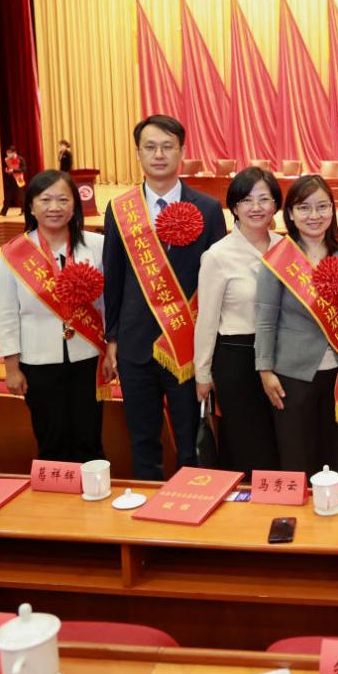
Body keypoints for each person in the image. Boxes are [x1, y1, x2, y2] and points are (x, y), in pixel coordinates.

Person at [101, 114, 226, 480]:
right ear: (138, 153)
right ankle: (148, 508)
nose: (159, 155)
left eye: (167, 147)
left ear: (181, 152)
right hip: (135, 346)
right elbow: (114, 278)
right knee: (143, 441)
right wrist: (112, 337)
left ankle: (192, 502)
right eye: (150, 147)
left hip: (188, 345)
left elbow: (217, 282)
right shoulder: (120, 210)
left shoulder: (207, 209)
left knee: (190, 443)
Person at [0, 170, 106, 463]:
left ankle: (92, 487)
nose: (54, 207)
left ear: (75, 205)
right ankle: (56, 490)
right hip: (38, 360)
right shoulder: (12, 254)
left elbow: (108, 304)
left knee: (89, 436)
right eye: (45, 200)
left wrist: (112, 350)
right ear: (31, 206)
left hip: (88, 356)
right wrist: (11, 368)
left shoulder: (97, 246)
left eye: (62, 200)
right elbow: (7, 315)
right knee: (50, 438)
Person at [255, 175, 338, 475]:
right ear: (291, 213)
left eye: (322, 207)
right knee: (296, 456)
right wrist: (265, 369)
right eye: (304, 207)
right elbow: (265, 319)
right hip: (292, 375)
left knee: (334, 454)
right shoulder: (278, 259)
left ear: (332, 209)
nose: (314, 215)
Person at [193, 166, 283, 476]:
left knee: (277, 442)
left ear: (276, 204)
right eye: (246, 200)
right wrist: (202, 373)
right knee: (248, 443)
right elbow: (206, 320)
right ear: (233, 206)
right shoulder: (218, 256)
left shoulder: (286, 249)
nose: (256, 207)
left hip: (280, 357)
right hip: (236, 359)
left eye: (264, 199)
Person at [0, 144, 26, 216]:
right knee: (7, 196)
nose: (8, 154)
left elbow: (24, 169)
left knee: (21, 196)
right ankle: (4, 212)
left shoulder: (20, 159)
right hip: (10, 179)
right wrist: (6, 170)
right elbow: (6, 168)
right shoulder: (7, 160)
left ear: (14, 152)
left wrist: (14, 170)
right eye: (7, 152)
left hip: (18, 179)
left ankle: (24, 211)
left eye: (9, 152)